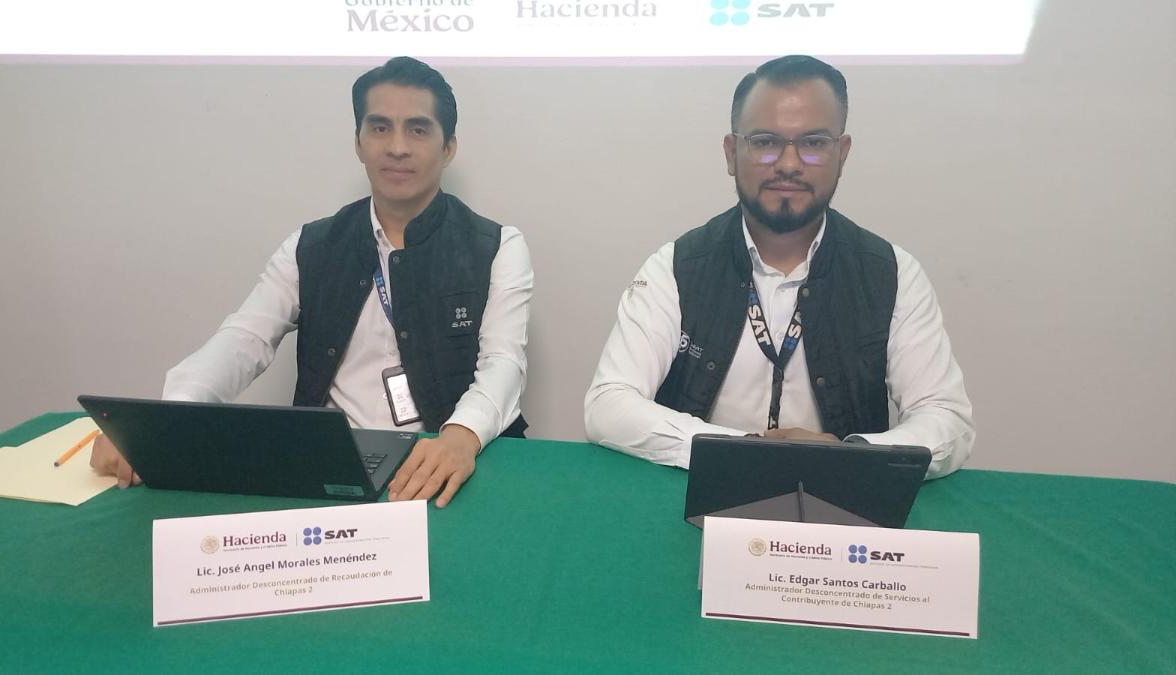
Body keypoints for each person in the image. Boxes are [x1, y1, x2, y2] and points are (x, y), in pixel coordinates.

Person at [92, 57, 533, 506]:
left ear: (448, 147)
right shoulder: (310, 246)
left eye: (418, 130)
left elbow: (503, 362)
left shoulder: (498, 246)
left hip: (443, 462)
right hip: (332, 468)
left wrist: (460, 436)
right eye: (380, 128)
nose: (397, 147)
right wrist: (164, 422)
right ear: (358, 143)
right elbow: (245, 338)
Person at [584, 55, 973, 478]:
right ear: (732, 153)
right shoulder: (676, 268)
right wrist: (743, 451)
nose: (789, 164)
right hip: (702, 496)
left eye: (813, 143)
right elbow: (609, 404)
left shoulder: (891, 274)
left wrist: (850, 456)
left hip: (838, 501)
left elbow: (947, 419)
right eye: (765, 141)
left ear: (842, 154)